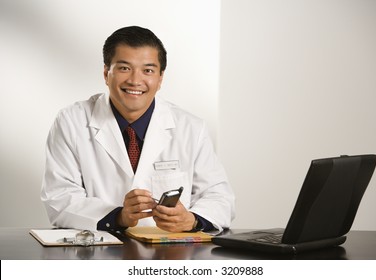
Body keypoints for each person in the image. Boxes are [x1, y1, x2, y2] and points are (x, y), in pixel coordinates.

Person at [41, 26, 235, 233]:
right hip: (99, 250)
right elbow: (59, 198)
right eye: (124, 68)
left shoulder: (191, 128)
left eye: (148, 70)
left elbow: (220, 197)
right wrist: (118, 216)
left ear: (160, 79)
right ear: (106, 73)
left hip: (170, 256)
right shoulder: (71, 121)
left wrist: (192, 220)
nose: (135, 80)